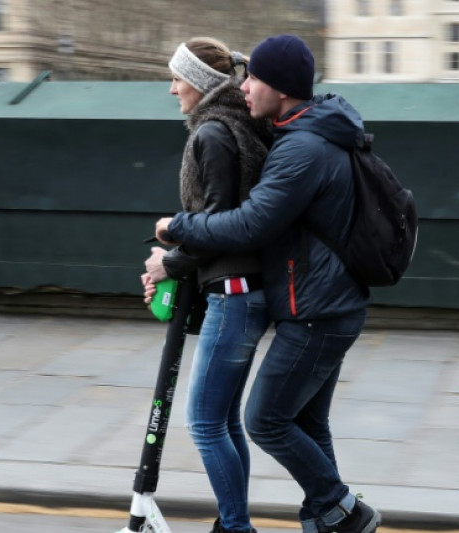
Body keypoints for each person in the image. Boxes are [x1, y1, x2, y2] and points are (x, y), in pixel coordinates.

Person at [154, 35, 381, 533]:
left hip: (315, 308)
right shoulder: (295, 132)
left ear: (278, 87)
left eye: (254, 77)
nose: (245, 85)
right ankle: (330, 518)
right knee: (303, 422)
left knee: (261, 421)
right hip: (325, 301)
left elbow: (247, 224)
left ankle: (341, 509)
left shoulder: (299, 146)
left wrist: (175, 235)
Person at [140, 37, 273, 533]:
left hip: (233, 295)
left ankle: (236, 528)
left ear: (199, 83)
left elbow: (217, 223)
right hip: (246, 289)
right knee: (225, 421)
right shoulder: (238, 125)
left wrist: (169, 263)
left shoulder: (214, 134)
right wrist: (172, 258)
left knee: (203, 423)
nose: (172, 89)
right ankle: (234, 523)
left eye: (177, 79)